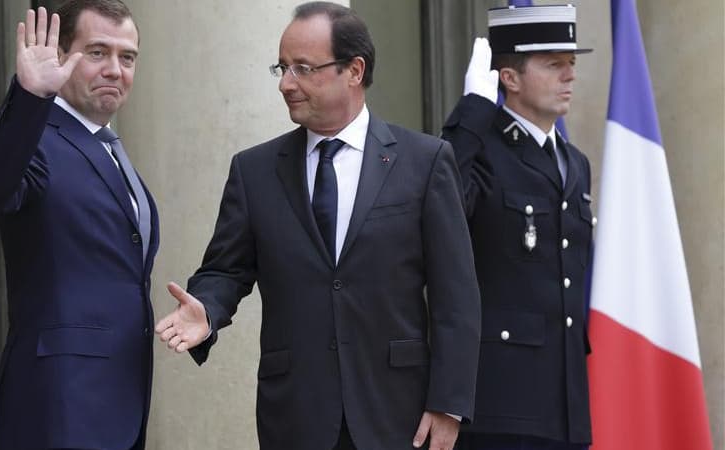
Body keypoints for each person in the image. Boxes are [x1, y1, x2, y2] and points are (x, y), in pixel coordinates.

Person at [155, 2, 480, 449]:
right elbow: (225, 271)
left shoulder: (424, 162)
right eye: (282, 68)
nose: (287, 84)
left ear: (354, 70)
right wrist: (207, 312)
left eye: (303, 68)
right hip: (295, 415)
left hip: (398, 415)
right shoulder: (255, 171)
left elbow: (456, 296)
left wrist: (448, 403)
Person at [0, 1, 158, 449]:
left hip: (120, 402)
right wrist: (29, 96)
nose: (114, 69)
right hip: (58, 407)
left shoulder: (109, 149)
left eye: (126, 58)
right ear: (62, 56)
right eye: (96, 53)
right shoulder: (39, 138)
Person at [440, 5, 594, 450]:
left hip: (563, 405)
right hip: (499, 404)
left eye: (571, 64)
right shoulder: (480, 149)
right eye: (553, 64)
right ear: (509, 77)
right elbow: (438, 204)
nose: (569, 76)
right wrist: (470, 113)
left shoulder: (573, 162)